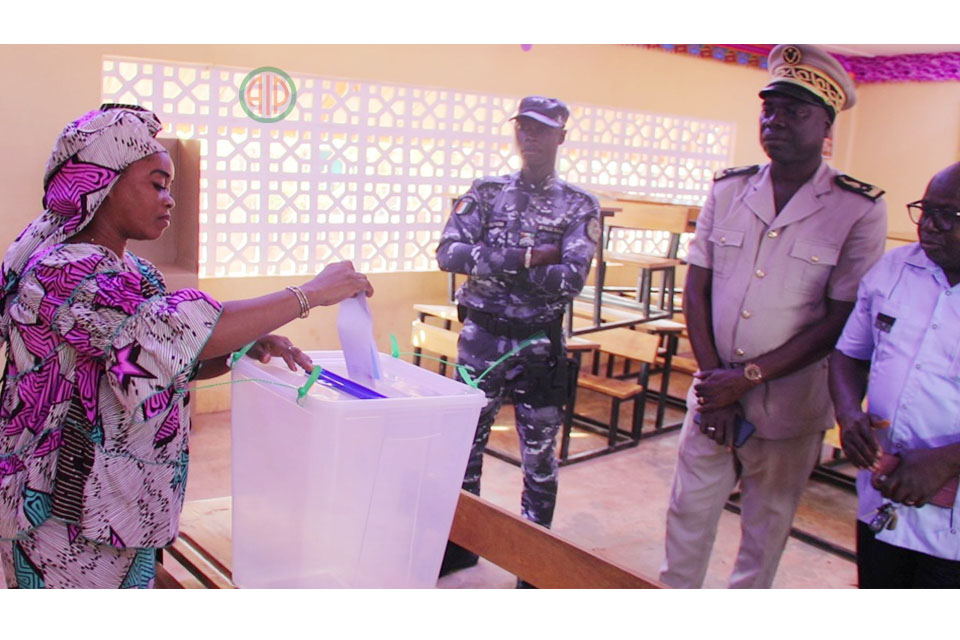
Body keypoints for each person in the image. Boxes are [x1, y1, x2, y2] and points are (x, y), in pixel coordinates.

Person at [0, 104, 373, 588]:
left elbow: (145, 368)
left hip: (120, 507)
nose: (168, 199)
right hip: (61, 515)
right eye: (156, 184)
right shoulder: (62, 272)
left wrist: (238, 347)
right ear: (102, 184)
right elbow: (162, 333)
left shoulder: (136, 274)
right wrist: (309, 294)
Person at [659, 44, 888, 588]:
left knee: (765, 529)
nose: (774, 121)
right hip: (713, 394)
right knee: (686, 519)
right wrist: (715, 382)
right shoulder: (730, 188)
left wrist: (746, 380)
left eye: (794, 111)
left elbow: (840, 318)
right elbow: (697, 288)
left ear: (826, 125)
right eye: (769, 109)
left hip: (789, 404)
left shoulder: (858, 207)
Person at [435, 96, 601, 584]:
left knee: (540, 456)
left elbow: (570, 278)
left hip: (538, 347)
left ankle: (533, 560)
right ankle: (463, 545)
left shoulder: (579, 204)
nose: (530, 137)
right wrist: (530, 258)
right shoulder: (486, 193)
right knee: (465, 449)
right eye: (523, 128)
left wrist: (489, 259)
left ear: (560, 137)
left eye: (542, 130)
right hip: (481, 340)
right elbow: (448, 254)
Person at [829, 163, 960, 588]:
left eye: (948, 216)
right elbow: (849, 354)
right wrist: (849, 414)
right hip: (883, 500)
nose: (929, 227)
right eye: (925, 210)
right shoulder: (894, 270)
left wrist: (947, 459)